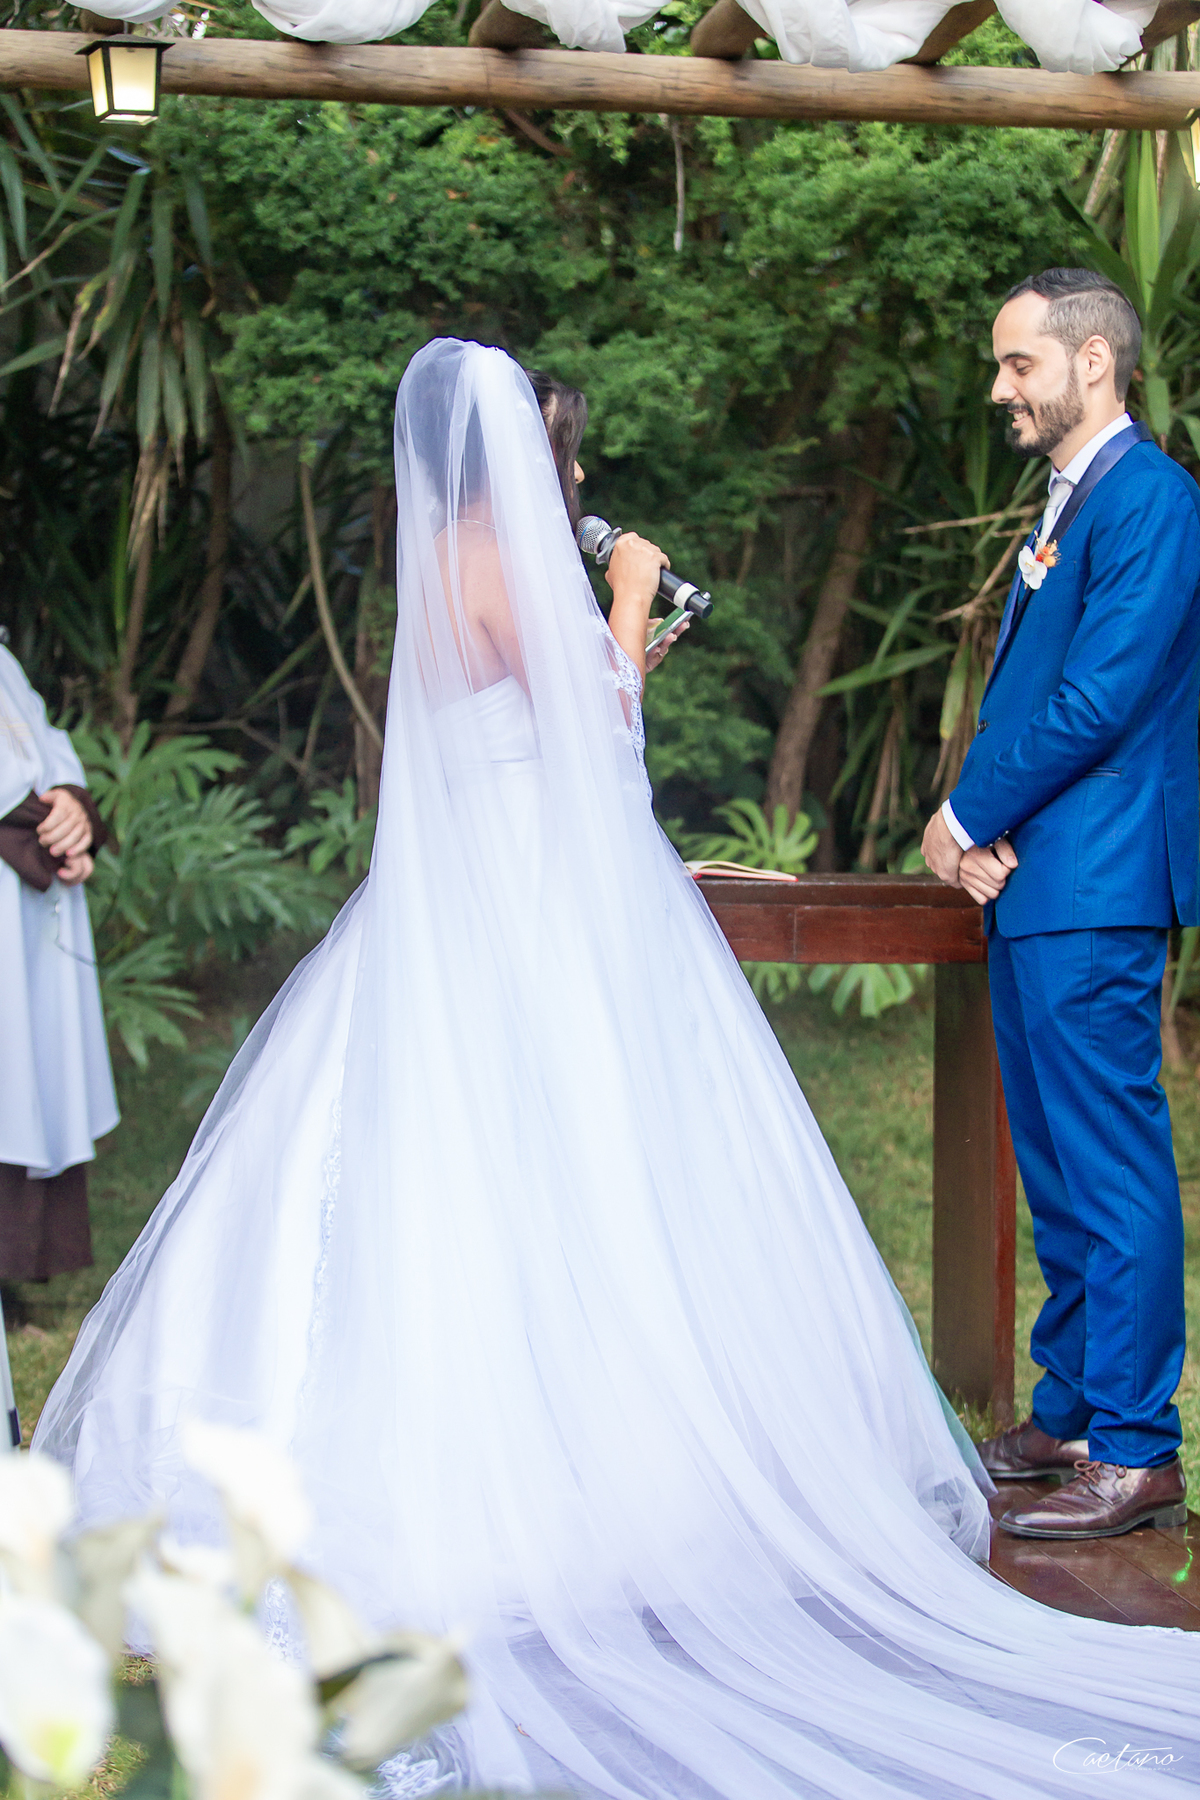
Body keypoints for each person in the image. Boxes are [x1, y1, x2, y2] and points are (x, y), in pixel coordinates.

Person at [36, 340, 1200, 1798]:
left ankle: (1092, 1416)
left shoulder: (447, 558)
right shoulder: (496, 557)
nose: (573, 473)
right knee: (577, 1165)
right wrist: (631, 598)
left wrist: (611, 652)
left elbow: (551, 720)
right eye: (559, 450)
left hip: (474, 899)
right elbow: (593, 735)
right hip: (528, 915)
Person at [922, 267, 1198, 1541]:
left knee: (1109, 1161)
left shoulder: (1150, 499)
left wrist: (966, 816)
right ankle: (1075, 1409)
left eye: (1018, 362)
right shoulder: (1077, 497)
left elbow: (1100, 699)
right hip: (1041, 879)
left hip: (1097, 881)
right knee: (1057, 1162)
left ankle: (1136, 1452)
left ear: (1094, 361)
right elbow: (1039, 698)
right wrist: (990, 837)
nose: (1000, 387)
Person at [0, 644, 117, 1291]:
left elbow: (44, 745)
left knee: (29, 1064)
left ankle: (16, 1263)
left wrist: (70, 809)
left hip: (26, 907)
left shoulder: (3, 659)